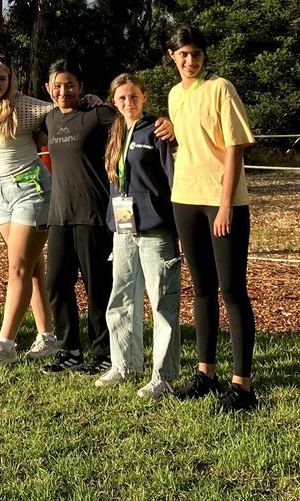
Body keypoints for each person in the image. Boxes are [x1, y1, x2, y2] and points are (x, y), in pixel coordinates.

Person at [166, 26, 260, 413]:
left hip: (222, 203)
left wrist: (225, 206)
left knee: (232, 291)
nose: (191, 61)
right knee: (202, 289)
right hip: (184, 199)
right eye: (184, 54)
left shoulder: (221, 88)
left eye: (197, 54)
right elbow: (189, 140)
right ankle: (206, 374)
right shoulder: (175, 94)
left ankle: (243, 387)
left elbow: (234, 149)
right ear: (172, 56)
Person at [0, 55, 62, 368]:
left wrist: (88, 100)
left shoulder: (23, 106)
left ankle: (5, 345)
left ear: (10, 82)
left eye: (2, 79)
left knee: (17, 268)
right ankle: (48, 338)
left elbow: (59, 107)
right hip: (1, 195)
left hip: (32, 189)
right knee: (31, 267)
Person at [99, 72, 181, 397]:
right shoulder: (116, 132)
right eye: (122, 98)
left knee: (162, 301)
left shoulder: (157, 129)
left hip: (156, 228)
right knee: (120, 297)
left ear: (144, 96)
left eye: (134, 96)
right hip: (123, 228)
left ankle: (164, 375)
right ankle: (124, 363)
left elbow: (174, 179)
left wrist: (178, 227)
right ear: (114, 102)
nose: (128, 102)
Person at [40, 59, 118, 376]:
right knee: (56, 284)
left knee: (97, 287)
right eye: (57, 86)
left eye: (70, 84)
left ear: (81, 87)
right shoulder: (49, 119)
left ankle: (103, 353)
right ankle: (69, 351)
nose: (64, 91)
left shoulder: (96, 114)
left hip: (92, 214)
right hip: (59, 215)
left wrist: (164, 124)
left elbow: (131, 119)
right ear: (48, 89)